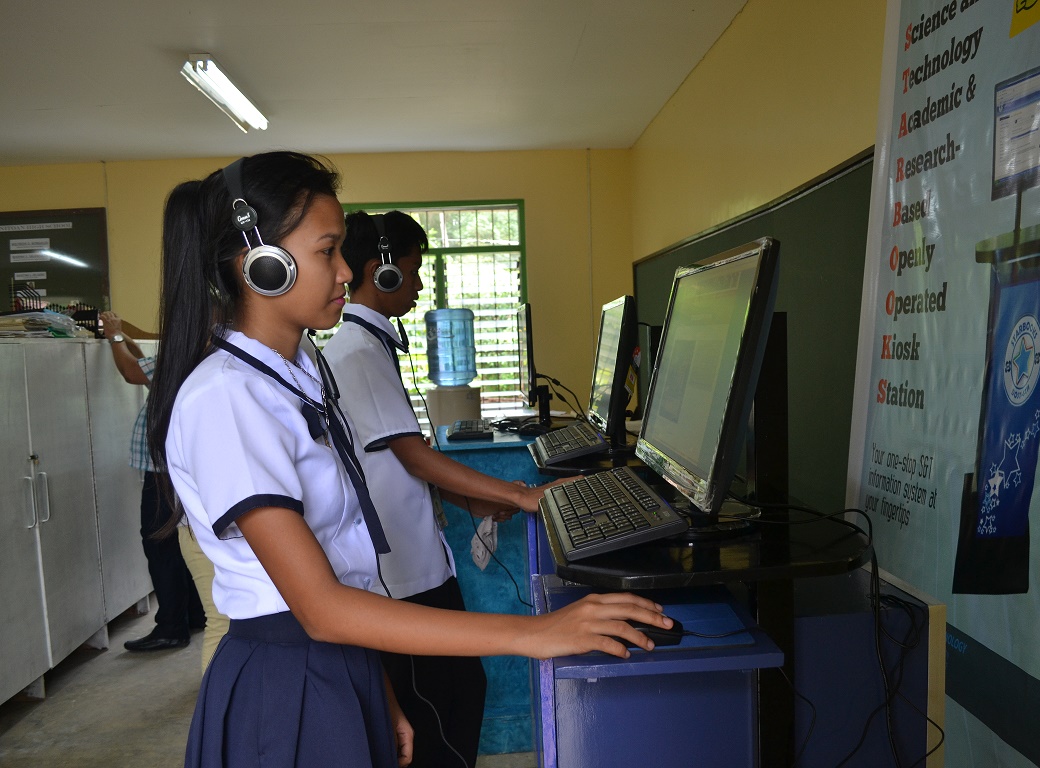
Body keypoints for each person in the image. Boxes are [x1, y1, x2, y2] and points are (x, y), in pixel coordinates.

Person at [146, 151, 672, 768]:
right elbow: (318, 607)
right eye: (327, 251)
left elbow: (344, 572)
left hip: (340, 662)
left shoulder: (299, 373)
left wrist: (379, 691)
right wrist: (536, 634)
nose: (347, 271)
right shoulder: (227, 396)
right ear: (263, 264)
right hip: (289, 679)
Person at [323, 210, 550, 767]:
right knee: (445, 709)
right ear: (382, 272)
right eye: (414, 270)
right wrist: (517, 495)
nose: (421, 284)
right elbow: (413, 456)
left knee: (455, 696)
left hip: (416, 564)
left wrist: (474, 498)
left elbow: (391, 463)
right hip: (403, 575)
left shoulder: (370, 347)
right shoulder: (355, 352)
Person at [99, 310, 207, 652]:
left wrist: (115, 335)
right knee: (179, 542)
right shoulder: (203, 350)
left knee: (158, 544)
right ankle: (192, 615)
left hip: (162, 468)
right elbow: (149, 372)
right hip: (180, 465)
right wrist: (126, 338)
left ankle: (170, 627)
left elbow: (133, 372)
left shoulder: (183, 351)